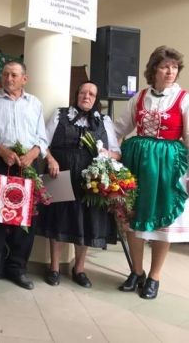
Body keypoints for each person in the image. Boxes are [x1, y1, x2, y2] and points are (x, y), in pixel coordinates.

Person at [115, 46, 188, 300]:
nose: (170, 72)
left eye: (174, 67)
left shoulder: (184, 99)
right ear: (154, 69)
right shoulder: (139, 97)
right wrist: (111, 152)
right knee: (132, 216)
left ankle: (154, 277)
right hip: (135, 163)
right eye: (165, 66)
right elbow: (119, 128)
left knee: (162, 220)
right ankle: (137, 272)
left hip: (167, 167)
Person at [36, 81, 121, 288]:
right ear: (77, 95)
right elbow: (42, 143)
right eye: (83, 92)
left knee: (86, 222)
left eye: (91, 94)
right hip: (59, 173)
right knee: (57, 219)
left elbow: (117, 153)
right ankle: (54, 268)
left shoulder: (104, 121)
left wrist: (106, 154)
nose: (87, 96)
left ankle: (79, 269)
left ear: (96, 98)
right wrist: (51, 160)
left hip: (90, 179)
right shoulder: (60, 115)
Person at [0, 61, 48, 293]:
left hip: (27, 165)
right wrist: (2, 150)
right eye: (5, 74)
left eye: (14, 75)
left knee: (25, 220)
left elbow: (42, 138)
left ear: (24, 79)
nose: (8, 78)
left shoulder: (34, 103)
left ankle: (18, 268)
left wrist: (33, 154)